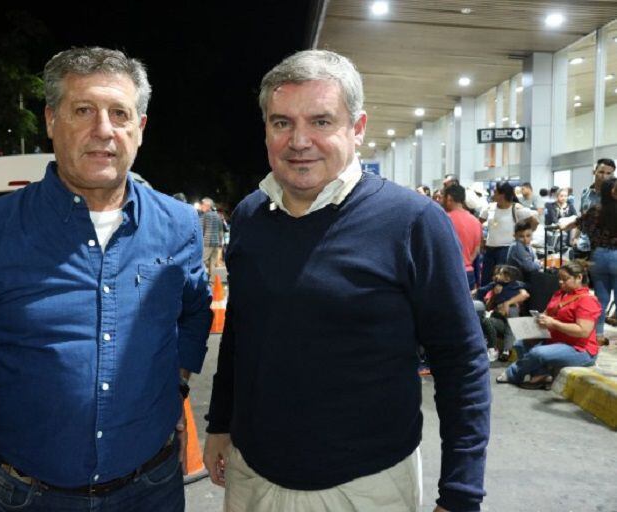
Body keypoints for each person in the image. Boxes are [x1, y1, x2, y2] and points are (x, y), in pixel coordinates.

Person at [0, 47, 212, 512]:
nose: (104, 130)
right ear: (51, 120)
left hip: (153, 490)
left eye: (120, 113)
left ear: (141, 128)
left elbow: (194, 312)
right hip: (31, 498)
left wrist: (174, 384)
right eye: (83, 111)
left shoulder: (178, 225)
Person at [203, 49, 490, 512]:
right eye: (282, 123)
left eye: (321, 121)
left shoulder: (414, 222)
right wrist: (220, 423)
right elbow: (242, 333)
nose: (299, 141)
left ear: (357, 128)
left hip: (367, 488)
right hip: (252, 477)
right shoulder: (251, 216)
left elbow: (462, 361)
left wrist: (461, 493)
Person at [497, 260, 601, 388]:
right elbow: (547, 313)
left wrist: (554, 323)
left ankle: (512, 374)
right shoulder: (560, 294)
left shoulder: (587, 300)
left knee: (537, 353)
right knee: (520, 343)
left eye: (565, 279)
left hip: (579, 349)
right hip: (555, 340)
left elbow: (583, 331)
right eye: (559, 279)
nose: (560, 282)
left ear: (579, 277)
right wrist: (540, 320)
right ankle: (541, 375)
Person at [571, 177, 617, 346]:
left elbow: (580, 225)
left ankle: (598, 335)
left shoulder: (595, 210)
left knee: (601, 299)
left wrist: (563, 227)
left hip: (598, 256)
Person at [479, 181, 536, 286]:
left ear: (502, 195)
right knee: (486, 280)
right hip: (489, 249)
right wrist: (481, 239)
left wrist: (525, 237)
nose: (493, 194)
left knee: (501, 282)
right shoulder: (489, 208)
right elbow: (478, 223)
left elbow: (534, 222)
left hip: (506, 250)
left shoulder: (516, 209)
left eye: (495, 192)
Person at [572, 158, 616, 259]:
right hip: (583, 246)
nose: (604, 176)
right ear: (594, 172)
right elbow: (582, 217)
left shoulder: (613, 196)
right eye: (601, 172)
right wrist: (575, 237)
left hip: (604, 248)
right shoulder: (585, 193)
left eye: (609, 173)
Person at [443, 184, 482, 289]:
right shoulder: (476, 221)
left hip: (449, 273)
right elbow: (476, 250)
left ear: (449, 198)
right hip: (468, 273)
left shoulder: (444, 219)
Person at [200, 197, 225, 276]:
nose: (201, 206)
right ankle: (211, 282)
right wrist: (220, 242)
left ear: (208, 206)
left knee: (201, 261)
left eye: (203, 205)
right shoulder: (218, 216)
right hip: (216, 243)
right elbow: (221, 231)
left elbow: (200, 230)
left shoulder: (204, 216)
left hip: (207, 242)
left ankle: (202, 279)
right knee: (212, 263)